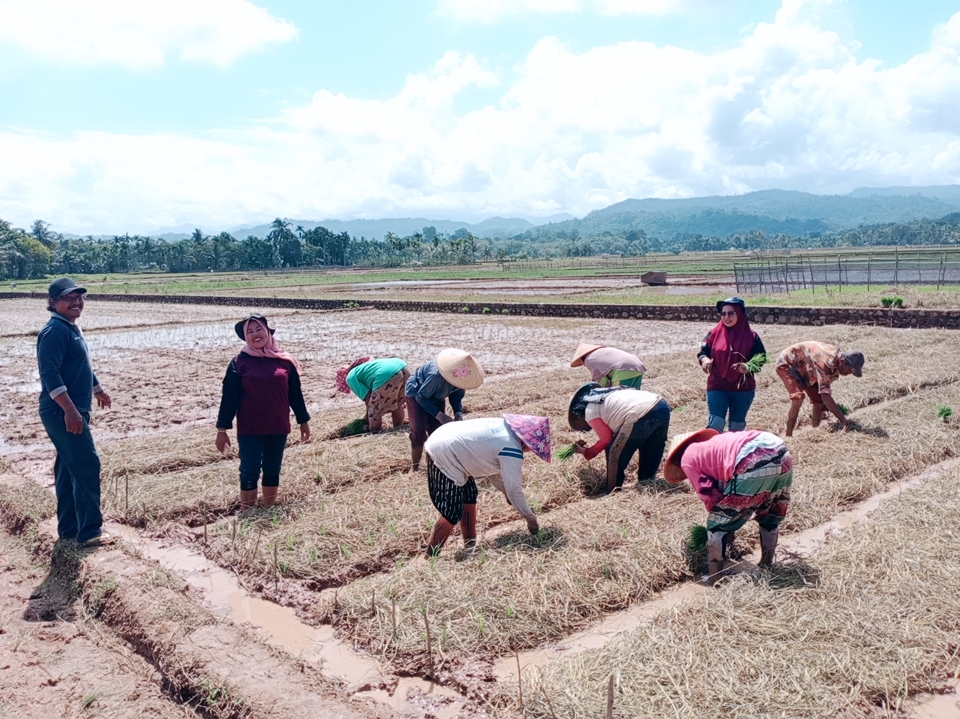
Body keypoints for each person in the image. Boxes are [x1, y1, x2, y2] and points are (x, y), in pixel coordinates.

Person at [37, 278, 115, 548]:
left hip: (72, 408)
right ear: (53, 302)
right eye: (69, 298)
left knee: (68, 467)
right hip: (62, 411)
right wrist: (70, 410)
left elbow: (82, 365)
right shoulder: (55, 332)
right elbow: (49, 373)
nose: (76, 302)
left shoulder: (70, 328)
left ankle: (69, 528)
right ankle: (90, 532)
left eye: (80, 297)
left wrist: (98, 389)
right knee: (86, 465)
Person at [664, 428, 793, 586]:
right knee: (769, 513)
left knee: (716, 525)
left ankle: (716, 579)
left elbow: (709, 493)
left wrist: (723, 524)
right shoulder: (712, 447)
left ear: (676, 460)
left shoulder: (687, 458)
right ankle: (767, 566)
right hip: (780, 450)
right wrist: (730, 523)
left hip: (753, 458)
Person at [216, 314, 311, 511]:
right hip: (250, 429)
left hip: (278, 427)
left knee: (272, 470)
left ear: (268, 332)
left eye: (259, 329)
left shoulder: (285, 362)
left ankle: (269, 510)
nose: (255, 334)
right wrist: (222, 429)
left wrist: (304, 421)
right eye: (249, 331)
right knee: (249, 471)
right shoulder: (239, 363)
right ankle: (248, 511)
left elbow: (295, 394)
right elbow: (229, 398)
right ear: (245, 337)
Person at [423, 413, 550, 556]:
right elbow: (515, 490)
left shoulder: (503, 427)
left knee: (469, 496)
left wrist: (506, 492)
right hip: (444, 452)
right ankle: (430, 556)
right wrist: (531, 518)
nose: (530, 450)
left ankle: (470, 544)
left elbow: (492, 470)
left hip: (447, 440)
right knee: (452, 511)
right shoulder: (511, 447)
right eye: (532, 447)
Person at [567, 383, 671, 493]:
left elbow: (606, 439)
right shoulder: (608, 397)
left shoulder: (590, 410)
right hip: (661, 406)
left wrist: (589, 452)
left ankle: (612, 491)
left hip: (640, 412)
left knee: (614, 452)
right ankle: (646, 481)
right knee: (651, 446)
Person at [406, 348, 484, 471]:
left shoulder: (461, 379)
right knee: (419, 431)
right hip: (418, 393)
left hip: (437, 395)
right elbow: (421, 397)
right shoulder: (436, 377)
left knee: (437, 433)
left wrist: (458, 413)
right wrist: (440, 415)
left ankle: (434, 466)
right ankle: (414, 467)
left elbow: (457, 395)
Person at [698, 297, 766, 432]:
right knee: (715, 425)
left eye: (731, 313)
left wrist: (749, 367)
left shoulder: (752, 336)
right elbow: (702, 352)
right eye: (723, 314)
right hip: (717, 386)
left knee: (737, 427)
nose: (726, 317)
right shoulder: (713, 334)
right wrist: (705, 360)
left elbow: (761, 357)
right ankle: (714, 452)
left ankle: (732, 452)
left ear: (739, 313)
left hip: (743, 389)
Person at [775, 341, 865, 436]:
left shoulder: (836, 359)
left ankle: (815, 430)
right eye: (851, 370)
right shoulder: (826, 363)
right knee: (798, 398)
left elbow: (823, 395)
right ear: (843, 362)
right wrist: (843, 420)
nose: (850, 373)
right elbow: (825, 396)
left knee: (819, 400)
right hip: (788, 362)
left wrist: (829, 404)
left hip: (806, 366)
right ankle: (788, 436)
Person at [336, 357, 409, 433]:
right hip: (402, 366)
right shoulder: (365, 369)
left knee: (374, 412)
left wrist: (366, 419)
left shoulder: (350, 377)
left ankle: (375, 433)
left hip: (387, 373)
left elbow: (368, 399)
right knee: (397, 403)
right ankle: (398, 429)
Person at [570, 343, 647, 388]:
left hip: (622, 369)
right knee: (634, 397)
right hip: (638, 365)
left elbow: (602, 382)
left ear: (581, 359)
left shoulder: (589, 360)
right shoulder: (600, 353)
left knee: (618, 398)